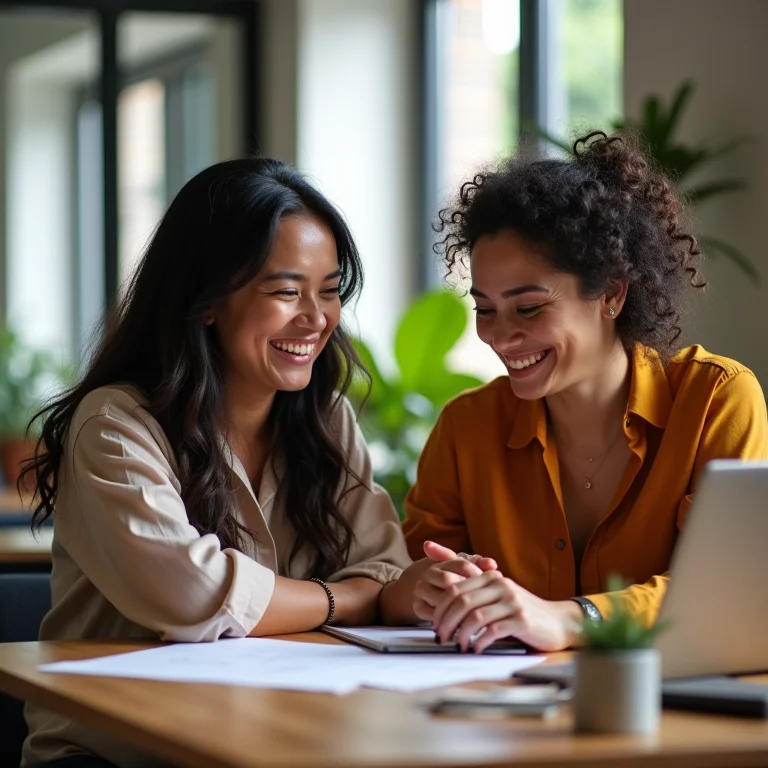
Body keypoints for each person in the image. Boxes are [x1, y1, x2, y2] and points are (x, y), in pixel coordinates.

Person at [20, 158, 426, 768]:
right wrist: (346, 599)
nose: (316, 318)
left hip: (273, 735)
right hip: (116, 752)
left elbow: (385, 567)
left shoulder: (326, 417)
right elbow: (191, 596)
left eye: (329, 290)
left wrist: (385, 590)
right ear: (207, 300)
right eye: (286, 291)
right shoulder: (116, 423)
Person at [401, 131, 768, 655]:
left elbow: (728, 591)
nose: (500, 337)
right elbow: (405, 582)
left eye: (529, 308)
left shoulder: (715, 400)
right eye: (485, 309)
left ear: (612, 294)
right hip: (502, 699)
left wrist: (570, 618)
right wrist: (432, 587)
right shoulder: (467, 427)